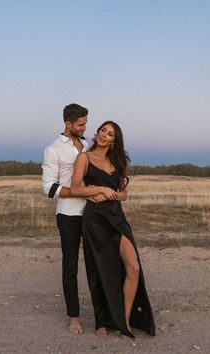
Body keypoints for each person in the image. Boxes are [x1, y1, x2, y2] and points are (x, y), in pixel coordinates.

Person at [70, 121, 155, 340]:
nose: (104, 135)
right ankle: (101, 321)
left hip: (117, 219)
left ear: (114, 141)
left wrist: (112, 194)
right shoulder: (84, 158)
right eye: (102, 131)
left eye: (109, 134)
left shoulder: (117, 161)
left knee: (133, 267)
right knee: (98, 269)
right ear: (97, 133)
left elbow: (123, 193)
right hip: (95, 220)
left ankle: (124, 321)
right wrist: (98, 189)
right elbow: (75, 188)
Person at [42, 103, 96, 334]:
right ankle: (74, 317)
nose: (84, 127)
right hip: (68, 215)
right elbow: (48, 187)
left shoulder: (88, 144)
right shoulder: (53, 149)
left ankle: (103, 315)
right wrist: (79, 192)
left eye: (86, 123)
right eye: (81, 124)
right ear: (68, 124)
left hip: (94, 213)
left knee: (97, 264)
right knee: (70, 265)